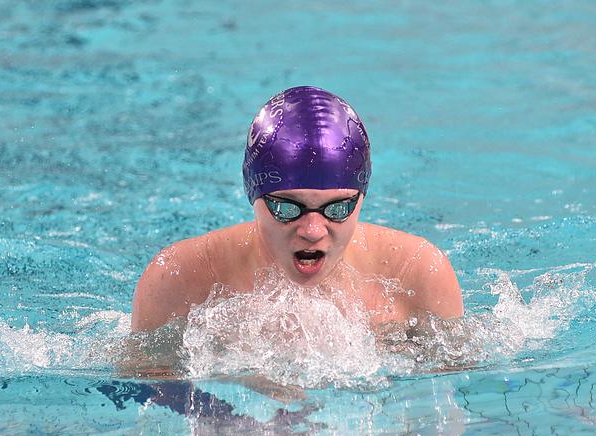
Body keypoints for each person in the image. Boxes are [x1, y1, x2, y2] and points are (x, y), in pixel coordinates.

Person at [131, 85, 463, 334]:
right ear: (254, 195)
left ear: (362, 197)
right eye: (289, 208)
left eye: (337, 208)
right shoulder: (178, 279)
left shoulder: (417, 274)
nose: (313, 231)